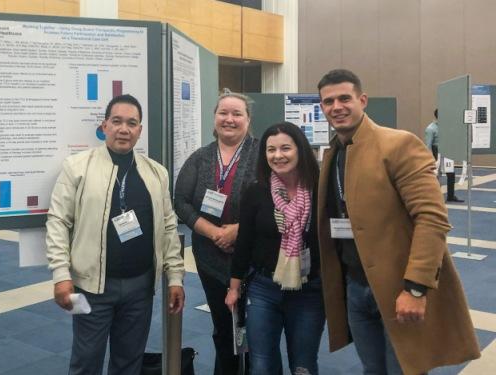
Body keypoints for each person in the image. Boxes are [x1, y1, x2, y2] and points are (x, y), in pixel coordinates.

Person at [316, 68, 480, 374]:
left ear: (362, 100)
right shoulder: (334, 153)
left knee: (405, 369)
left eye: (344, 98)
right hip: (355, 286)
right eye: (328, 101)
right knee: (373, 369)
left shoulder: (399, 144)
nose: (336, 107)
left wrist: (416, 289)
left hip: (398, 289)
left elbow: (432, 219)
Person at [46, 94, 185, 375]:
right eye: (117, 121)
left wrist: (175, 277)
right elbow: (58, 221)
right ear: (104, 126)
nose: (124, 129)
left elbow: (169, 227)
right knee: (85, 360)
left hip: (141, 288)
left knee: (129, 362)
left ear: (140, 130)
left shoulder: (156, 173)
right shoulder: (77, 167)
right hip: (90, 287)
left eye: (132, 123)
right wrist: (61, 275)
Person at [225, 122, 323, 375]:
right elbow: (244, 242)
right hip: (263, 288)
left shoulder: (320, 190)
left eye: (285, 148)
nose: (277, 156)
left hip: (309, 290)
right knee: (261, 365)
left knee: (303, 366)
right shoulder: (256, 191)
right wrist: (234, 288)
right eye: (271, 150)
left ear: (300, 149)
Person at [174, 92, 259, 375]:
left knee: (257, 330)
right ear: (215, 118)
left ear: (248, 119)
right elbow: (181, 201)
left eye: (237, 114)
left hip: (254, 261)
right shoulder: (200, 158)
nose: (229, 119)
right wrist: (212, 232)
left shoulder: (263, 154)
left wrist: (240, 230)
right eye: (224, 113)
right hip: (210, 259)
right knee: (223, 328)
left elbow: (278, 198)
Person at [424, 108, 463, 202]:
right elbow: (428, 145)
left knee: (451, 174)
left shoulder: (446, 126)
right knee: (436, 175)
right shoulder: (430, 128)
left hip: (447, 151)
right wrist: (430, 159)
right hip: (436, 152)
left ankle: (450, 196)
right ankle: (435, 198)